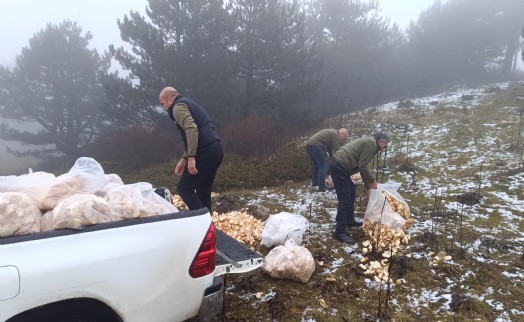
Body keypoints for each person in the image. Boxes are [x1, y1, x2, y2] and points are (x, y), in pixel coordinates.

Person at [159, 87, 223, 214]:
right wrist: (183, 160)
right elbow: (197, 131)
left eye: (163, 104)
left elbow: (191, 130)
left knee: (184, 188)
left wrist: (192, 157)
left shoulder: (177, 107)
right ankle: (207, 229)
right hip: (215, 150)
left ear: (170, 99)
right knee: (202, 191)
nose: (164, 108)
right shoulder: (188, 103)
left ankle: (201, 221)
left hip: (204, 151)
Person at [328, 132, 390, 244]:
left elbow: (362, 166)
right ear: (381, 141)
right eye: (385, 144)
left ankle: (349, 220)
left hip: (342, 166)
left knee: (351, 190)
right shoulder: (372, 144)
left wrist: (368, 187)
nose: (385, 147)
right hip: (339, 165)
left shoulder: (372, 143)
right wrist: (371, 182)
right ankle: (340, 232)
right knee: (345, 199)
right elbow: (362, 166)